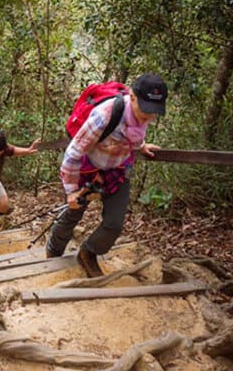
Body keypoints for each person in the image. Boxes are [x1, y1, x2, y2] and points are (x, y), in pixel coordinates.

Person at [46, 73, 167, 277]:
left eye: (154, 111)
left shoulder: (141, 118)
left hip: (118, 170)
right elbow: (73, 154)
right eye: (145, 108)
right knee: (74, 211)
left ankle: (88, 252)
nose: (149, 116)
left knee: (114, 223)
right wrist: (71, 191)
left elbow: (133, 137)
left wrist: (141, 146)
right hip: (89, 171)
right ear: (132, 96)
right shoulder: (104, 115)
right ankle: (54, 249)